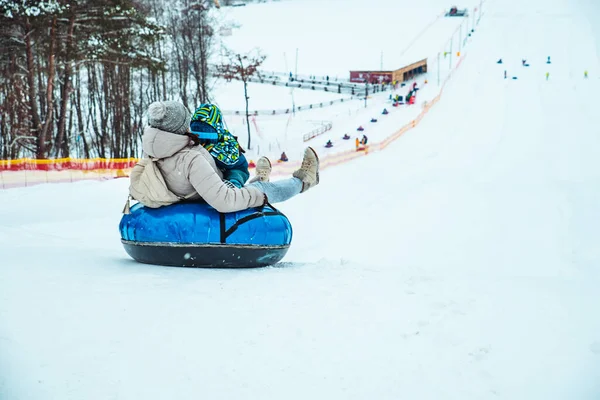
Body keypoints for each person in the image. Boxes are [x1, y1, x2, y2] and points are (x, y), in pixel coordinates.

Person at [139, 101, 319, 213]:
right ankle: (303, 181)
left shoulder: (152, 153)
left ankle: (259, 179)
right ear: (181, 127)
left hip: (200, 191)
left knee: (246, 182)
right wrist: (257, 194)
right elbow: (226, 201)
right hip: (217, 191)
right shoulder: (191, 158)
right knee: (261, 189)